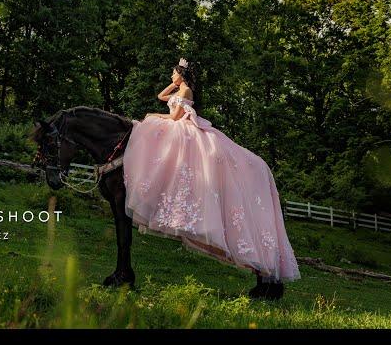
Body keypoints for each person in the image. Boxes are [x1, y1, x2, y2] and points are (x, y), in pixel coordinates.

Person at [122, 58, 301, 291]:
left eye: (173, 74)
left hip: (184, 128)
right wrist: (173, 83)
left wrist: (154, 114)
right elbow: (161, 97)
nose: (170, 77)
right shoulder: (180, 88)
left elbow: (174, 117)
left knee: (155, 129)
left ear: (181, 76)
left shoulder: (186, 90)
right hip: (181, 121)